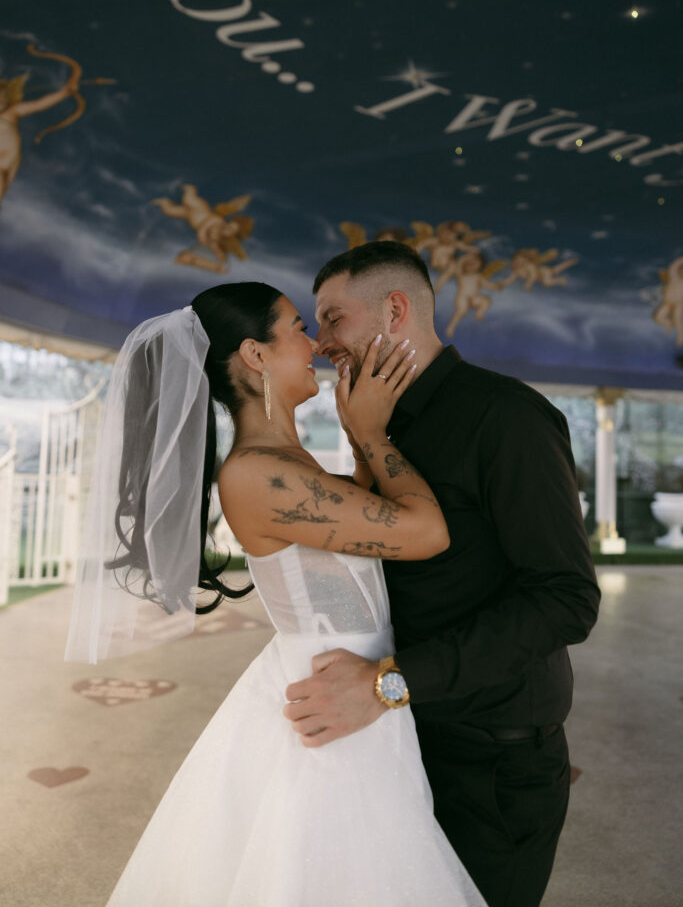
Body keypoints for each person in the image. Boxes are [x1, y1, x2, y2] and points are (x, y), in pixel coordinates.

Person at [66, 282, 488, 906]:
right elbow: (426, 532)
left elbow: (353, 531)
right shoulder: (257, 472)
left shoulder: (287, 460)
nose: (315, 343)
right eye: (296, 327)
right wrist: (372, 433)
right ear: (256, 355)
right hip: (332, 700)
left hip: (352, 686)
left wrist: (355, 432)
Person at [284, 242, 601, 907]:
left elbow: (565, 599)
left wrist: (386, 683)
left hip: (490, 766)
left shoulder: (505, 416)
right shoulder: (375, 423)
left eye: (333, 319)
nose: (320, 344)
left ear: (394, 310)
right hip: (400, 743)